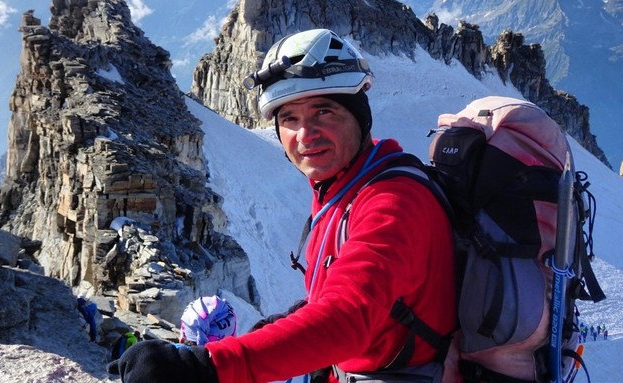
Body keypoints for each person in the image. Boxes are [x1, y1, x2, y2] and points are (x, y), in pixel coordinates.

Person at [108, 29, 457, 383]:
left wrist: (204, 367)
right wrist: (286, 322)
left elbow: (349, 317)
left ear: (359, 114)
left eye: (324, 111)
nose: (305, 134)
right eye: (289, 118)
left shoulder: (393, 202)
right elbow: (354, 294)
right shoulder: (344, 185)